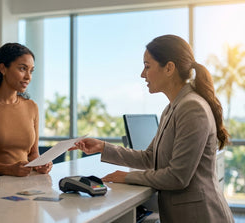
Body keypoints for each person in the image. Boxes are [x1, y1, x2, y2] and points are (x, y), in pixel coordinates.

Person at [70, 35, 234, 222]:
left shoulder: (192, 107)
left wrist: (128, 177)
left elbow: (178, 177)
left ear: (169, 68)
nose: (142, 74)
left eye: (147, 66)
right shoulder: (172, 108)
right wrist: (103, 147)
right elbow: (150, 157)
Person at [0, 43, 52, 177]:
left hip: (26, 187)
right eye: (22, 69)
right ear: (3, 68)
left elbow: (33, 154)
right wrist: (8, 169)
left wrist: (42, 164)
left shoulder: (31, 107)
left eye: (31, 71)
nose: (28, 77)